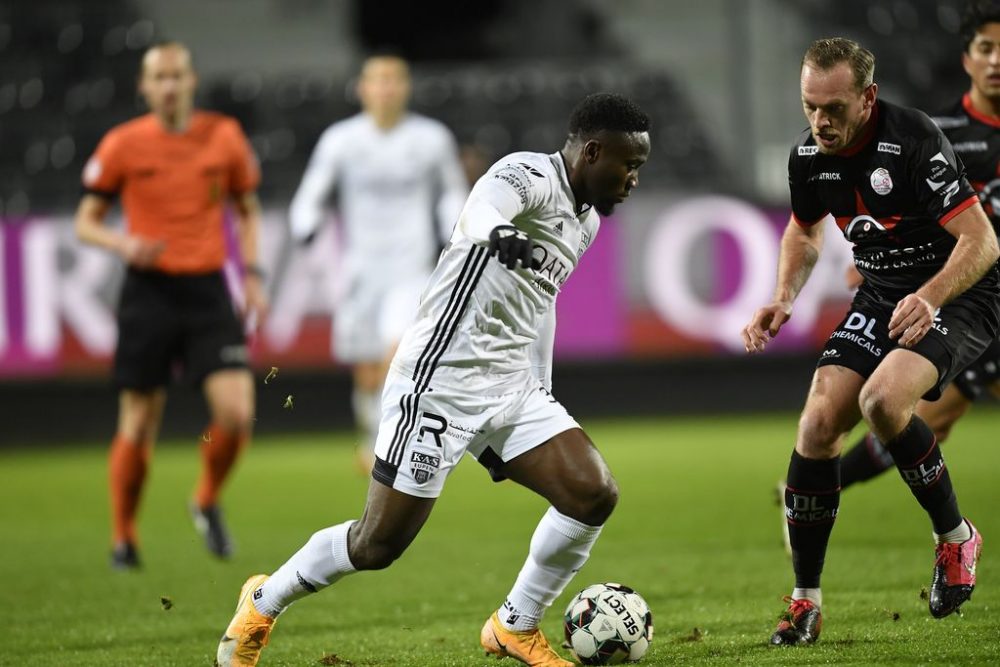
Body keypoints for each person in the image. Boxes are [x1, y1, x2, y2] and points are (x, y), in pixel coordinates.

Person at [215, 92, 651, 667]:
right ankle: (262, 601)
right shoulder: (527, 174)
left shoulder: (586, 222)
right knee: (377, 545)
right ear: (593, 152)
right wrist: (498, 233)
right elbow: (477, 211)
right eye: (630, 165)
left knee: (593, 494)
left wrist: (541, 385)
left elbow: (542, 304)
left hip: (512, 387)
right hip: (437, 382)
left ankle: (514, 625)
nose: (633, 180)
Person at [742, 37, 999, 645]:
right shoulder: (808, 157)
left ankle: (956, 539)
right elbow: (803, 233)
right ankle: (805, 603)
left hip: (958, 296)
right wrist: (784, 297)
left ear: (868, 97)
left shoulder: (913, 139)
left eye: (833, 108)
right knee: (817, 425)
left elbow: (982, 241)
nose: (820, 121)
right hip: (883, 295)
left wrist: (931, 296)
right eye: (810, 106)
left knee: (884, 401)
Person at [75, 42, 267, 569]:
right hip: (148, 292)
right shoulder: (123, 145)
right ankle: (124, 536)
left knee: (237, 412)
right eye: (158, 77)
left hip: (207, 290)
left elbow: (247, 210)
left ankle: (205, 498)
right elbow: (85, 220)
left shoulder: (223, 135)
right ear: (144, 86)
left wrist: (252, 274)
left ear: (192, 80)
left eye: (176, 76)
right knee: (138, 421)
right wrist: (122, 243)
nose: (168, 86)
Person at [837, 1, 1000, 490]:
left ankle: (814, 489)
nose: (996, 61)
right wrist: (878, 259)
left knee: (938, 418)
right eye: (986, 49)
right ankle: (813, 489)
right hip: (970, 298)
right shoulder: (934, 134)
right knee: (917, 415)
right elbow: (898, 216)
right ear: (967, 59)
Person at [288, 54, 468, 471]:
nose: (386, 88)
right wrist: (305, 221)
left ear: (405, 88)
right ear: (362, 88)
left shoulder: (431, 138)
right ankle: (372, 441)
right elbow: (314, 188)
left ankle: (392, 446)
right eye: (378, 80)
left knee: (397, 356)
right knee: (367, 370)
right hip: (361, 271)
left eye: (394, 80)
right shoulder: (341, 139)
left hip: (412, 267)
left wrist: (454, 228)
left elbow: (451, 190)